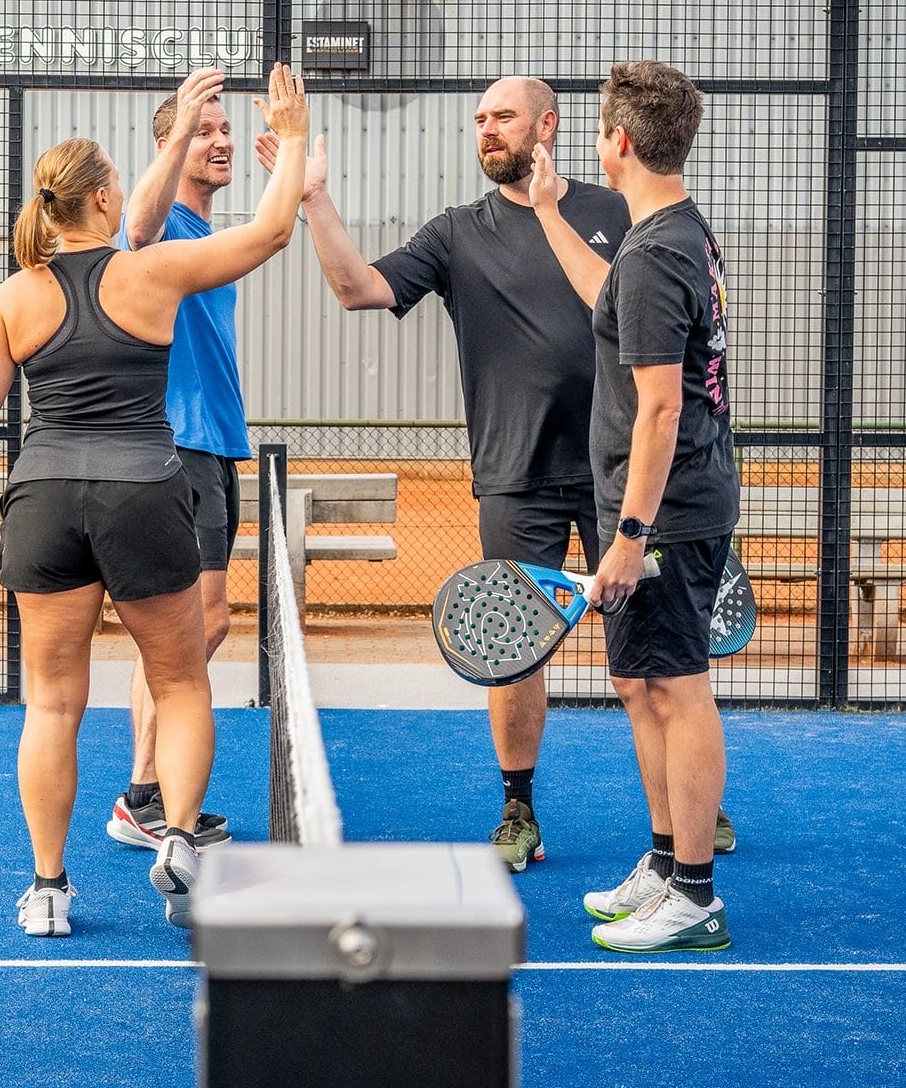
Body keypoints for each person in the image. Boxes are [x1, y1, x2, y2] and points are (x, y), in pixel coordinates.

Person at [259, 77, 741, 871]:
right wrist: (313, 200)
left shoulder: (630, 213)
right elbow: (358, 289)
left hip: (626, 482)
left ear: (547, 125)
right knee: (515, 655)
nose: (486, 129)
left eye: (502, 116)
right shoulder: (457, 233)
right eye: (479, 119)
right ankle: (519, 809)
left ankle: (685, 817)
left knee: (649, 675)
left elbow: (663, 348)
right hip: (517, 475)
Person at [0, 63, 309, 936]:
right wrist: (295, 134)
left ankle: (48, 886)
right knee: (182, 678)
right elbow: (275, 230)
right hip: (143, 495)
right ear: (96, 206)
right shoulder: (150, 273)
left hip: (42, 500)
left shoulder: (16, 294)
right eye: (118, 188)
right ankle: (178, 847)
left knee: (51, 701)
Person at [529, 59, 738, 952]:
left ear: (616, 144)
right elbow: (607, 303)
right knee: (640, 682)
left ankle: (695, 893)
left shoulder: (656, 257)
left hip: (668, 511)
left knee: (678, 688)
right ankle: (664, 861)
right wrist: (545, 209)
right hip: (669, 500)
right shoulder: (673, 237)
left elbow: (659, 406)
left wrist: (628, 537)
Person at [102, 67, 251, 856]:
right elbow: (133, 227)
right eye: (204, 130)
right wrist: (179, 124)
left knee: (188, 629)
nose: (221, 140)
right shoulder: (162, 227)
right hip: (180, 442)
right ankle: (144, 795)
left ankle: (144, 792)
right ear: (169, 145)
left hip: (220, 442)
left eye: (225, 131)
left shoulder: (209, 230)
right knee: (199, 625)